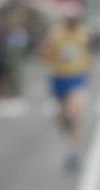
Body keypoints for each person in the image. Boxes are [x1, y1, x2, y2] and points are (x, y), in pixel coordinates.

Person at [37, 2, 91, 171]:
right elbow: (42, 53)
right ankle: (68, 131)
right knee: (62, 117)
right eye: (70, 18)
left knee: (74, 115)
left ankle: (73, 152)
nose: (73, 20)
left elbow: (87, 52)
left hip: (77, 78)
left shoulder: (83, 33)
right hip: (59, 78)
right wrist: (51, 54)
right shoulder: (55, 34)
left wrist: (87, 65)